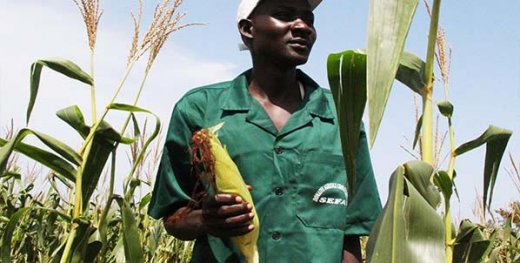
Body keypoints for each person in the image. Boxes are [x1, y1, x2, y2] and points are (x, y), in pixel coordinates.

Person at [148, 0, 382, 262]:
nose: (303, 27)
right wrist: (206, 219)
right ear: (248, 29)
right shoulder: (199, 110)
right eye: (284, 15)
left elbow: (351, 233)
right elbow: (173, 217)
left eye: (309, 19)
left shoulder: (342, 117)